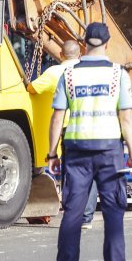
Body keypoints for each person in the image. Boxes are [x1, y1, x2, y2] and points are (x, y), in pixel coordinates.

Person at [47, 22, 132, 261]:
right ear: (108, 44)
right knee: (113, 215)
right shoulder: (118, 74)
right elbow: (127, 116)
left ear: (84, 45)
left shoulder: (68, 75)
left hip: (76, 152)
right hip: (110, 152)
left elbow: (57, 116)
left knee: (73, 214)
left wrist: (52, 154)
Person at [28, 41, 99, 230]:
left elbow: (32, 89)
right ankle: (86, 218)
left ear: (60, 53)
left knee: (72, 173)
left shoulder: (55, 73)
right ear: (80, 54)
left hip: (72, 130)